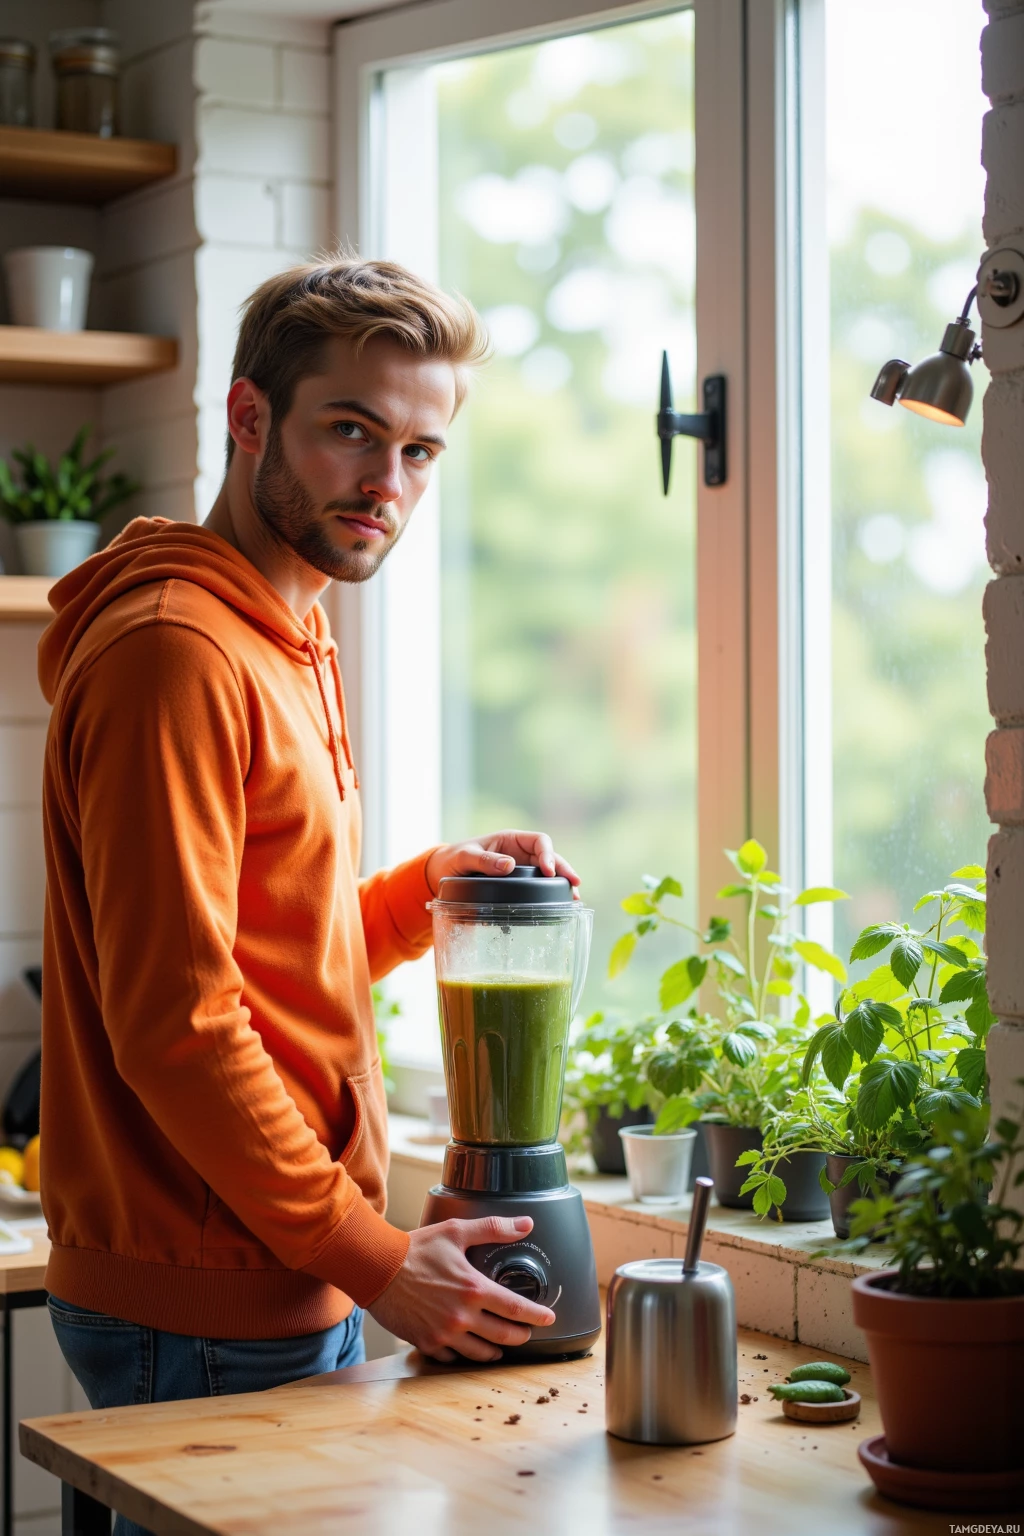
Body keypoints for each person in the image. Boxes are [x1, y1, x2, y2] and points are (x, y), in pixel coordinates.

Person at [37, 258, 579, 1502]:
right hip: (209, 1299)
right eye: (351, 432)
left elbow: (263, 941)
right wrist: (379, 1259)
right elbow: (178, 1024)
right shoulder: (179, 653)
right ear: (248, 421)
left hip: (266, 1269)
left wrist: (422, 890)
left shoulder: (283, 625)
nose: (388, 486)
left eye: (421, 453)